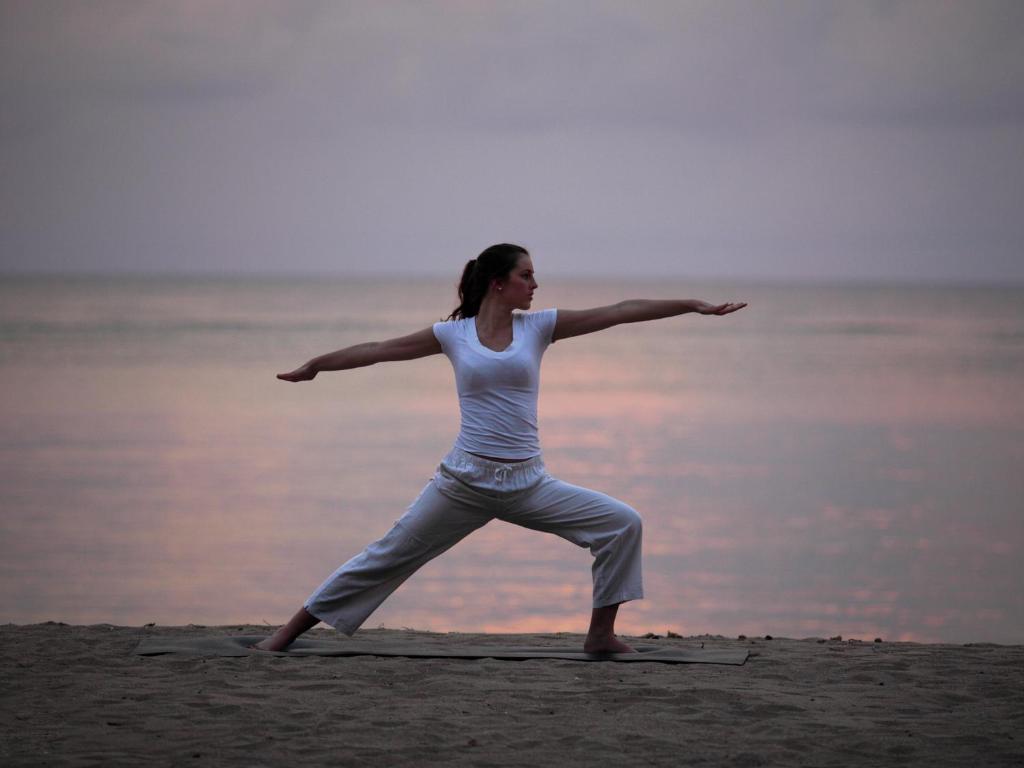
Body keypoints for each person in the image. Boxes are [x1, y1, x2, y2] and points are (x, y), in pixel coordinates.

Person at [254, 243, 746, 654]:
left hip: (528, 483)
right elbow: (377, 351)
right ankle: (286, 635)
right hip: (463, 483)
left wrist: (692, 305)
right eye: (525, 275)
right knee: (385, 556)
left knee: (622, 524)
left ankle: (600, 636)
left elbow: (618, 312)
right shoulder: (453, 335)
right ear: (497, 283)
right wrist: (316, 365)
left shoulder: (539, 327)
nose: (535, 285)